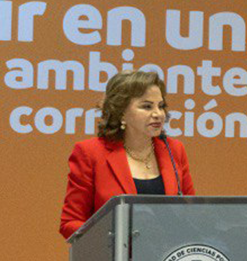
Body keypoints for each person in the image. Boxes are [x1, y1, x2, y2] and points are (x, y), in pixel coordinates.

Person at [59, 70, 195, 239]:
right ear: (121, 112)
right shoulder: (90, 152)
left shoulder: (174, 150)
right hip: (113, 252)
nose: (158, 114)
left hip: (169, 252)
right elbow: (70, 223)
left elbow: (192, 212)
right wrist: (115, 238)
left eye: (161, 106)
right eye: (147, 106)